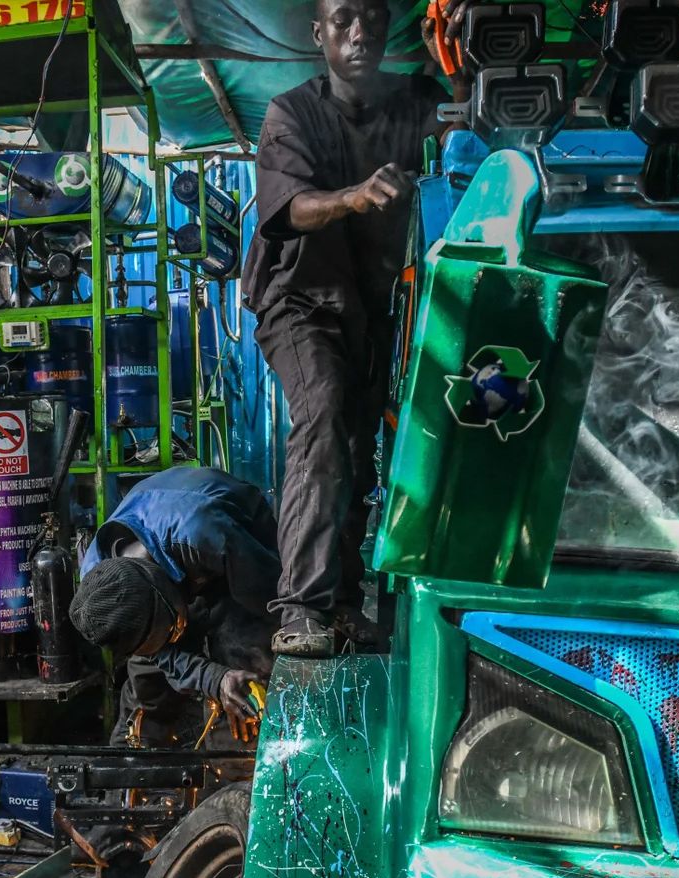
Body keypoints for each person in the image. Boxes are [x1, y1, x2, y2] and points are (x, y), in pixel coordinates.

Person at [243, 0, 451, 656]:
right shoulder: (291, 114)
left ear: (388, 27)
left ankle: (340, 602)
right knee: (326, 414)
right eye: (342, 20)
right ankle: (300, 605)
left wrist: (455, 56)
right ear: (319, 34)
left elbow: (471, 127)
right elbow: (292, 207)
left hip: (370, 305)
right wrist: (354, 196)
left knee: (362, 446)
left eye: (369, 18)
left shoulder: (413, 103)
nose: (357, 33)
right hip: (298, 301)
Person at [70, 467, 278, 745]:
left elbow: (275, 603)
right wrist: (212, 679)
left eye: (173, 630)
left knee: (245, 662)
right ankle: (136, 767)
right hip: (174, 559)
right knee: (147, 683)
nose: (176, 638)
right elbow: (161, 654)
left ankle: (240, 766)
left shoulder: (205, 535)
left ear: (168, 588)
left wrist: (227, 676)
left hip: (238, 553)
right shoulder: (99, 586)